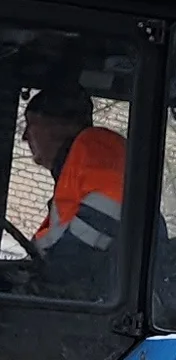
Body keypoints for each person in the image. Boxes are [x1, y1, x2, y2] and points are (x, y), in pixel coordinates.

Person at [21, 87, 126, 297]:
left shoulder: (98, 148)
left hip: (101, 304)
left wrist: (48, 276)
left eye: (31, 124)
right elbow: (50, 248)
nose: (24, 136)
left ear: (62, 126)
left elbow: (108, 212)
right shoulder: (71, 177)